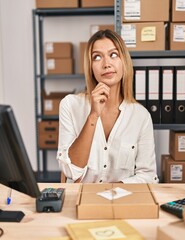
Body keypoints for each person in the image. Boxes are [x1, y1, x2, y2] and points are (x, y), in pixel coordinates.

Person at [56, 29, 158, 183]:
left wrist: (111, 191)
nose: (106, 64)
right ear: (90, 67)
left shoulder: (141, 116)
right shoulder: (70, 105)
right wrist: (93, 116)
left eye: (113, 55)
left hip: (121, 202)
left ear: (124, 61)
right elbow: (71, 171)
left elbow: (148, 176)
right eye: (97, 57)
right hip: (81, 200)